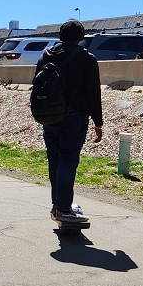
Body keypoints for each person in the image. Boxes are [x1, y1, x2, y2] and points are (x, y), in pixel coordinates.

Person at [36, 19, 103, 224]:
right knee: (67, 160)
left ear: (60, 36)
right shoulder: (86, 58)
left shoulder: (46, 56)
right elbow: (93, 93)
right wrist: (98, 123)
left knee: (55, 160)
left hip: (49, 115)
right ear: (81, 37)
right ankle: (64, 208)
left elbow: (37, 85)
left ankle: (58, 205)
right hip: (74, 117)